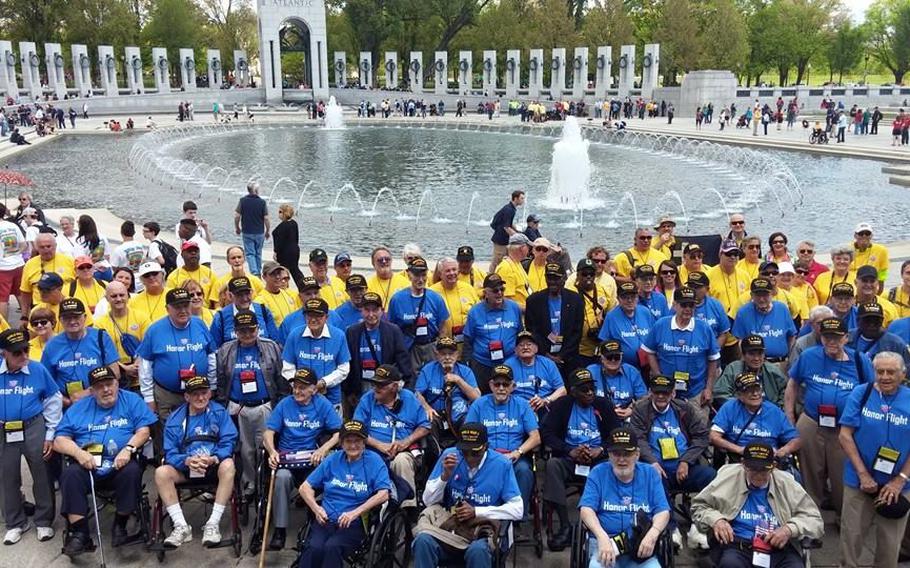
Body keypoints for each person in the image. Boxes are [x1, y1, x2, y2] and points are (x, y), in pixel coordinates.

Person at [54, 366, 156, 556]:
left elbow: (144, 430)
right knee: (69, 475)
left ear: (117, 384)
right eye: (100, 386)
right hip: (87, 465)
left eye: (109, 384)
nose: (106, 389)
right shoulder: (78, 408)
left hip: (121, 463)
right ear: (91, 391)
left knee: (132, 471)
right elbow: (59, 440)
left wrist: (128, 449)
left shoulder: (132, 400)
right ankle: (80, 533)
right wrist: (78, 453)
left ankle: (120, 524)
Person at [785, 317, 873, 516]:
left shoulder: (859, 360)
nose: (831, 342)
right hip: (811, 421)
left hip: (844, 428)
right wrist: (790, 414)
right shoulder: (808, 356)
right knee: (810, 475)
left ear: (845, 338)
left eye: (836, 337)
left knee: (842, 476)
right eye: (826, 337)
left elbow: (872, 391)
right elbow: (792, 384)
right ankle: (809, 519)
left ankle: (845, 519)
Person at [691, 442, 824, 567]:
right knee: (730, 564)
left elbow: (814, 519)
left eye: (764, 469)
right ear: (743, 464)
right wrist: (717, 520)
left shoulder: (786, 483)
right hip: (738, 545)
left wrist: (789, 529)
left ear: (773, 466)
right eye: (753, 469)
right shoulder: (727, 477)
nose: (759, 475)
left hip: (778, 546)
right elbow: (699, 506)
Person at [413, 422, 522, 568]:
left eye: (475, 453)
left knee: (477, 551)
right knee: (423, 541)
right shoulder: (449, 456)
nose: (469, 458)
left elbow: (518, 509)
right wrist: (444, 477)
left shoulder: (502, 464)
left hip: (481, 531)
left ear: (486, 447)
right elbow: (428, 500)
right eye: (464, 452)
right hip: (451, 526)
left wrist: (477, 511)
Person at [838, 351, 910, 568]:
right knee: (851, 539)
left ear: (903, 374)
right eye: (880, 372)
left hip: (898, 485)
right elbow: (845, 434)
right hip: (859, 480)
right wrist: (862, 474)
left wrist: (900, 480)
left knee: (889, 546)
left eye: (891, 372)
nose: (885, 377)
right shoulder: (861, 393)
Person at [541, 368, 622, 550]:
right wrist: (569, 450)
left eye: (592, 388)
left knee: (611, 467)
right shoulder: (562, 405)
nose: (590, 393)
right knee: (552, 465)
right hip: (570, 459)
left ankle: (599, 524)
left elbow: (617, 435)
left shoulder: (604, 405)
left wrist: (600, 450)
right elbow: (547, 434)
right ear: (573, 391)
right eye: (584, 390)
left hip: (598, 461)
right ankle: (565, 526)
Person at [629, 375, 714, 549]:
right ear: (650, 393)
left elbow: (702, 436)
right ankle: (671, 529)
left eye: (665, 393)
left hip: (684, 467)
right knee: (655, 478)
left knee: (712, 476)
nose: (661, 396)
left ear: (673, 393)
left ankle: (699, 526)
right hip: (656, 468)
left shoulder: (684, 409)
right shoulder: (640, 409)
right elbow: (638, 439)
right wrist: (652, 462)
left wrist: (686, 461)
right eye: (657, 392)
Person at [262, 367, 341, 550]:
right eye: (295, 387)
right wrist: (272, 451)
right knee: (281, 478)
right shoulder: (284, 404)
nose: (297, 391)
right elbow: (268, 432)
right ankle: (280, 530)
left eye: (303, 388)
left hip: (311, 458)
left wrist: (323, 448)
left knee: (321, 478)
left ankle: (315, 527)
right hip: (287, 457)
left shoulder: (323, 404)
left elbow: (339, 433)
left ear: (314, 389)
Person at [155, 375, 238, 548]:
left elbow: (229, 440)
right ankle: (181, 526)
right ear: (187, 397)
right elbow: (170, 452)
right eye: (195, 394)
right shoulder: (175, 419)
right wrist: (185, 461)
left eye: (204, 393)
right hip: (186, 468)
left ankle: (213, 524)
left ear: (210, 393)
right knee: (161, 472)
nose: (200, 398)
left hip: (213, 466)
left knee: (229, 465)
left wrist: (215, 458)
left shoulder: (219, 413)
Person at [299, 419, 391, 568]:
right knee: (314, 547)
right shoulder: (332, 459)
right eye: (348, 441)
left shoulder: (375, 461)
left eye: (358, 441)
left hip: (354, 523)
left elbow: (384, 494)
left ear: (364, 442)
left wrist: (355, 513)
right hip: (326, 519)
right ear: (341, 443)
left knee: (332, 547)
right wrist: (316, 508)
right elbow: (305, 488)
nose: (353, 445)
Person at [0, 329, 61, 545]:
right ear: (3, 353)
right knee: (7, 476)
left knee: (41, 472)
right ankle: (15, 522)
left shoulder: (37, 369)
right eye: (17, 353)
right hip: (4, 430)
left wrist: (51, 433)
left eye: (26, 350)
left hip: (33, 425)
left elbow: (53, 399)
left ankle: (44, 520)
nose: (24, 356)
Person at [578, 427, 672, 568]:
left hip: (640, 547)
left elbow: (663, 511)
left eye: (627, 453)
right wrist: (601, 536)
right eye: (616, 453)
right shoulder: (598, 473)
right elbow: (586, 509)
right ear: (609, 455)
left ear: (637, 454)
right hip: (604, 545)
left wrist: (653, 534)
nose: (621, 459)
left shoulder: (650, 474)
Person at [215, 309, 285, 496]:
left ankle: (267, 482)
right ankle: (249, 484)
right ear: (236, 331)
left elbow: (281, 380)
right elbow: (221, 382)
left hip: (264, 405)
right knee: (244, 449)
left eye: (251, 330)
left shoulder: (272, 347)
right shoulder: (226, 350)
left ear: (258, 329)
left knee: (265, 446)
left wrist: (279, 407)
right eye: (242, 331)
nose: (247, 334)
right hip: (238, 406)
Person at [465, 364, 540, 519]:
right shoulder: (478, 404)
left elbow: (536, 437)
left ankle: (518, 517)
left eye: (505, 384)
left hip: (514, 457)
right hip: (485, 457)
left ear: (512, 386)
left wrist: (518, 452)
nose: (501, 388)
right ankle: (483, 514)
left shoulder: (522, 405)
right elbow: (467, 433)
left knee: (525, 471)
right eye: (497, 384)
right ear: (490, 385)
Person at [137, 288, 218, 424]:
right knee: (170, 433)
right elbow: (145, 367)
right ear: (167, 308)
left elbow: (211, 356)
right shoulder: (155, 330)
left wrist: (213, 385)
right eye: (177, 307)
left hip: (199, 394)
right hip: (168, 396)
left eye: (186, 305)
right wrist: (149, 398)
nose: (183, 310)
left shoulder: (199, 324)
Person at [353, 364, 429, 507]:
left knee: (401, 461)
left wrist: (406, 441)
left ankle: (407, 507)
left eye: (381, 385)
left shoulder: (409, 398)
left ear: (394, 387)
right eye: (374, 383)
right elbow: (356, 430)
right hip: (372, 449)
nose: (376, 388)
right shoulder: (367, 399)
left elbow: (425, 426)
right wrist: (380, 445)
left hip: (402, 450)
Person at [643, 287, 720, 414]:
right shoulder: (661, 325)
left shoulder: (704, 328)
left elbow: (713, 359)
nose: (688, 309)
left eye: (691, 305)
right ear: (674, 305)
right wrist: (658, 375)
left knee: (698, 431)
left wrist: (709, 389)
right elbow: (649, 351)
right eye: (684, 305)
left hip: (696, 393)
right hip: (665, 392)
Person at [41, 298, 119, 407]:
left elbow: (115, 372)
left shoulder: (101, 337)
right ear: (60, 320)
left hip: (98, 400)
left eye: (76, 317)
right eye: (67, 318)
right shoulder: (52, 345)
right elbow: (45, 381)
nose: (72, 321)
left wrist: (88, 393)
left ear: (85, 317)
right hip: (67, 405)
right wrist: (65, 401)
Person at [711, 372, 800, 465]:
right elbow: (713, 436)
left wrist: (783, 451)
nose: (755, 394)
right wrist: (739, 450)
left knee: (792, 478)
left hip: (770, 462)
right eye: (749, 390)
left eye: (758, 390)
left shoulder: (774, 411)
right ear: (739, 395)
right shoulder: (730, 407)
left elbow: (796, 439)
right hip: (739, 461)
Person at [281, 298, 350, 415]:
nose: (313, 319)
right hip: (302, 399)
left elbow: (344, 369)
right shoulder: (295, 335)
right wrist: (303, 387)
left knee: (333, 431)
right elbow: (287, 368)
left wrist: (324, 382)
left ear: (326, 317)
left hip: (331, 398)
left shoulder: (339, 336)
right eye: (309, 315)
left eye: (318, 316)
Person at [344, 291, 412, 403]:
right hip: (360, 386)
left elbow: (403, 361)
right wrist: (349, 391)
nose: (371, 314)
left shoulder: (393, 331)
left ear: (382, 310)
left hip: (385, 386)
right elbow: (348, 362)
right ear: (361, 310)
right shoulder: (352, 332)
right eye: (367, 310)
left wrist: (403, 386)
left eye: (375, 310)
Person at [388, 257, 450, 371]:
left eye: (423, 275)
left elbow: (443, 329)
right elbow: (391, 329)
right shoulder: (397, 299)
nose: (420, 280)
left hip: (431, 346)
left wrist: (441, 351)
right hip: (409, 347)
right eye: (416, 275)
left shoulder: (436, 298)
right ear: (409, 274)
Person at [464, 274, 523, 390]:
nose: (500, 293)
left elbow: (520, 335)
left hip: (509, 363)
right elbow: (468, 341)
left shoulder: (514, 308)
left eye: (502, 289)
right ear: (485, 293)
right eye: (495, 290)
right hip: (482, 365)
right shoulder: (474, 312)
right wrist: (468, 366)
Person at [525, 262, 584, 374]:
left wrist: (561, 356)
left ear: (564, 278)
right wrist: (546, 355)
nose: (552, 282)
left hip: (568, 358)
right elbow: (533, 331)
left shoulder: (575, 300)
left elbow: (577, 332)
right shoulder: (533, 301)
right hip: (542, 356)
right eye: (549, 278)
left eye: (556, 278)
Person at [415, 336, 480, 433]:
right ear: (437, 355)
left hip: (460, 414)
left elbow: (477, 398)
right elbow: (417, 394)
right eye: (443, 354)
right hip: (436, 414)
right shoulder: (428, 370)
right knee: (428, 422)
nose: (447, 357)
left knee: (469, 423)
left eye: (451, 354)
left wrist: (459, 380)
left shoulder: (465, 371)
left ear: (457, 355)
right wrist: (427, 407)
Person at [94, 281, 149, 392]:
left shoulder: (141, 317)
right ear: (107, 298)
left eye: (122, 295)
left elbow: (148, 343)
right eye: (114, 296)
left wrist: (137, 365)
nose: (118, 299)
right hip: (115, 378)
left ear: (128, 296)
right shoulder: (99, 323)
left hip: (141, 375)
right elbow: (100, 352)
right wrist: (124, 368)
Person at [732, 278, 796, 364]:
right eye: (758, 295)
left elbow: (791, 336)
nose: (761, 299)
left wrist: (790, 359)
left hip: (781, 363)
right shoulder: (743, 312)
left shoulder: (782, 309)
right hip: (755, 365)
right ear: (751, 295)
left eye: (765, 295)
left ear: (772, 294)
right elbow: (740, 342)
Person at [715, 334, 789, 407]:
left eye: (760, 354)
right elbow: (720, 393)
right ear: (743, 355)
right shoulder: (733, 369)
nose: (756, 358)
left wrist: (776, 409)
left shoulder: (772, 370)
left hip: (769, 413)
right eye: (751, 354)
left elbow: (786, 392)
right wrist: (743, 406)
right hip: (739, 414)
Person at [430, 257, 479, 358]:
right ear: (440, 274)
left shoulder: (468, 288)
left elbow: (479, 313)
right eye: (447, 271)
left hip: (467, 345)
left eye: (454, 269)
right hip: (443, 349)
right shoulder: (431, 292)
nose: (452, 273)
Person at [599, 282, 655, 371]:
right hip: (623, 368)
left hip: (647, 366)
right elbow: (604, 343)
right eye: (625, 297)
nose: (629, 300)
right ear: (618, 299)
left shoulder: (645, 312)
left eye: (633, 297)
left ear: (637, 298)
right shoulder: (611, 316)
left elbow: (653, 338)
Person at [19, 232, 75, 319]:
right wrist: (24, 316)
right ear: (37, 248)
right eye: (42, 247)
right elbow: (25, 292)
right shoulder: (30, 264)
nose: (46, 249)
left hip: (67, 307)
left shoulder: (69, 261)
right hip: (40, 310)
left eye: (49, 246)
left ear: (55, 246)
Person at [588, 339, 646, 418]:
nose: (613, 360)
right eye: (609, 357)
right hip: (598, 416)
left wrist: (632, 410)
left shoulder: (632, 372)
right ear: (601, 358)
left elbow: (644, 398)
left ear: (621, 357)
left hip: (626, 418)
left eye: (616, 357)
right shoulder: (591, 371)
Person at [848, 302, 910, 371]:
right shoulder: (846, 338)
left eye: (876, 321)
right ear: (858, 321)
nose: (872, 325)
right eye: (867, 321)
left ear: (882, 321)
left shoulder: (896, 344)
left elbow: (906, 371)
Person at [234, 182, 270, 276]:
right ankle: (258, 271)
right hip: (259, 232)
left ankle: (255, 272)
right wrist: (267, 230)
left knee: (250, 253)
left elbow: (237, 216)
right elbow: (266, 218)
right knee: (258, 253)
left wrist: (237, 227)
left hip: (247, 231)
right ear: (256, 190)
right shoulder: (262, 202)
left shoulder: (242, 201)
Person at [167, 241, 216, 305]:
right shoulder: (173, 277)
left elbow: (216, 302)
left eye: (196, 251)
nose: (193, 253)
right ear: (182, 255)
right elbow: (170, 302)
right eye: (189, 251)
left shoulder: (209, 274)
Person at [0, 205, 26, 323]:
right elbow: (24, 245)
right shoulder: (13, 225)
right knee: (20, 294)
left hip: (3, 268)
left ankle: (4, 328)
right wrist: (14, 254)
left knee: (2, 299)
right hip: (18, 264)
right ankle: (27, 320)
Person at [255, 261, 300, 328]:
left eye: (279, 273)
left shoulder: (289, 294)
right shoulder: (260, 301)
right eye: (273, 274)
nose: (278, 277)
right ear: (264, 277)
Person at [489, 190, 526, 271]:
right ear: (515, 198)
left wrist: (517, 231)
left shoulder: (511, 208)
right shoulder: (509, 210)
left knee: (505, 259)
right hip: (500, 239)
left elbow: (509, 223)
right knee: (497, 261)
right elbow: (506, 227)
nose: (523, 200)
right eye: (522, 198)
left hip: (504, 239)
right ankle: (490, 277)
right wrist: (517, 237)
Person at [495, 233, 532, 311]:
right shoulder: (506, 268)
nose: (529, 249)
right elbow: (506, 300)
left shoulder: (517, 263)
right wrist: (529, 309)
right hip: (518, 315)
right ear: (522, 248)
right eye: (528, 247)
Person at [271, 203, 303, 289]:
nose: (278, 214)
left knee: (283, 271)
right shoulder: (294, 223)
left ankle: (283, 288)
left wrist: (276, 251)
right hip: (295, 250)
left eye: (280, 212)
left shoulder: (283, 226)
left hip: (285, 252)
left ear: (284, 213)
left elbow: (280, 241)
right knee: (295, 270)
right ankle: (302, 285)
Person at [852, 222, 889, 292]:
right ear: (855, 235)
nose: (864, 236)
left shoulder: (881, 250)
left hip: (870, 285)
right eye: (861, 233)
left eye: (867, 233)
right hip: (852, 285)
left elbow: (882, 273)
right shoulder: (848, 249)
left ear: (871, 236)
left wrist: (880, 291)